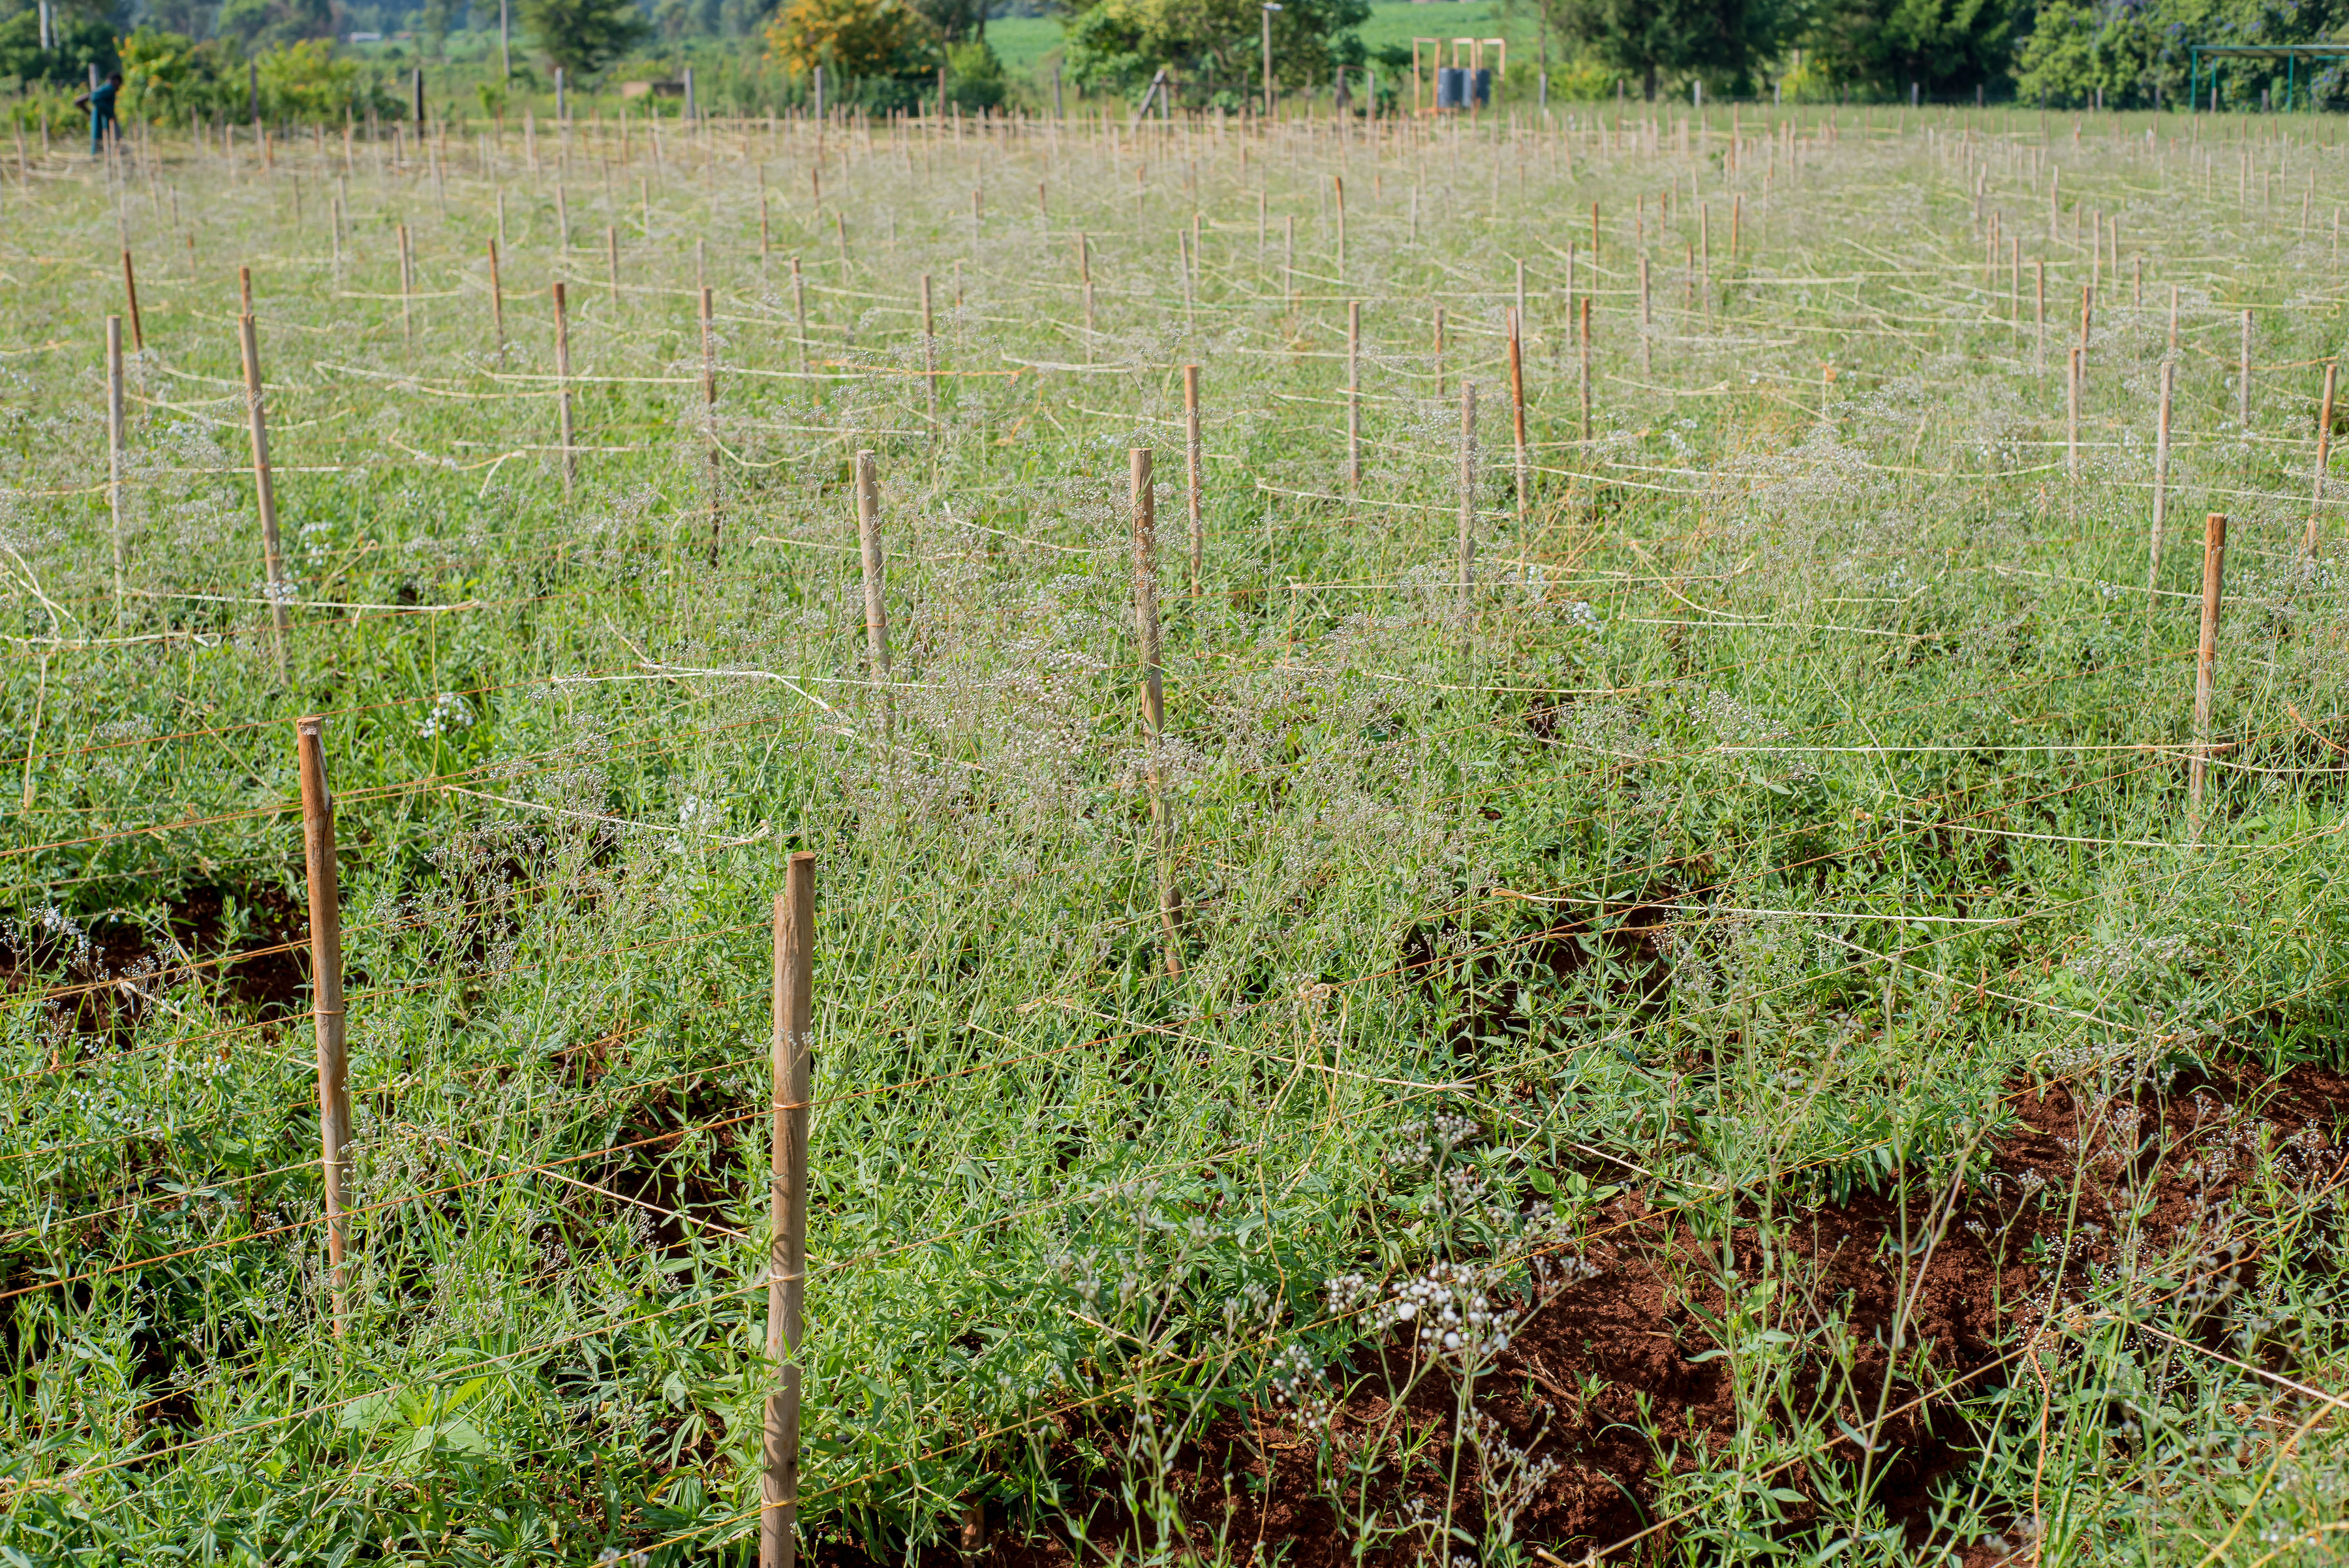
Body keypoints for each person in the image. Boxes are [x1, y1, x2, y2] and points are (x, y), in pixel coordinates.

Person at [74, 70, 122, 157]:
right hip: (102, 125)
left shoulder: (103, 88)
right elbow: (95, 98)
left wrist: (91, 113)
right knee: (100, 148)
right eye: (119, 84)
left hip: (100, 124)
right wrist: (110, 113)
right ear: (116, 80)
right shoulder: (110, 88)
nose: (119, 87)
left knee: (99, 147)